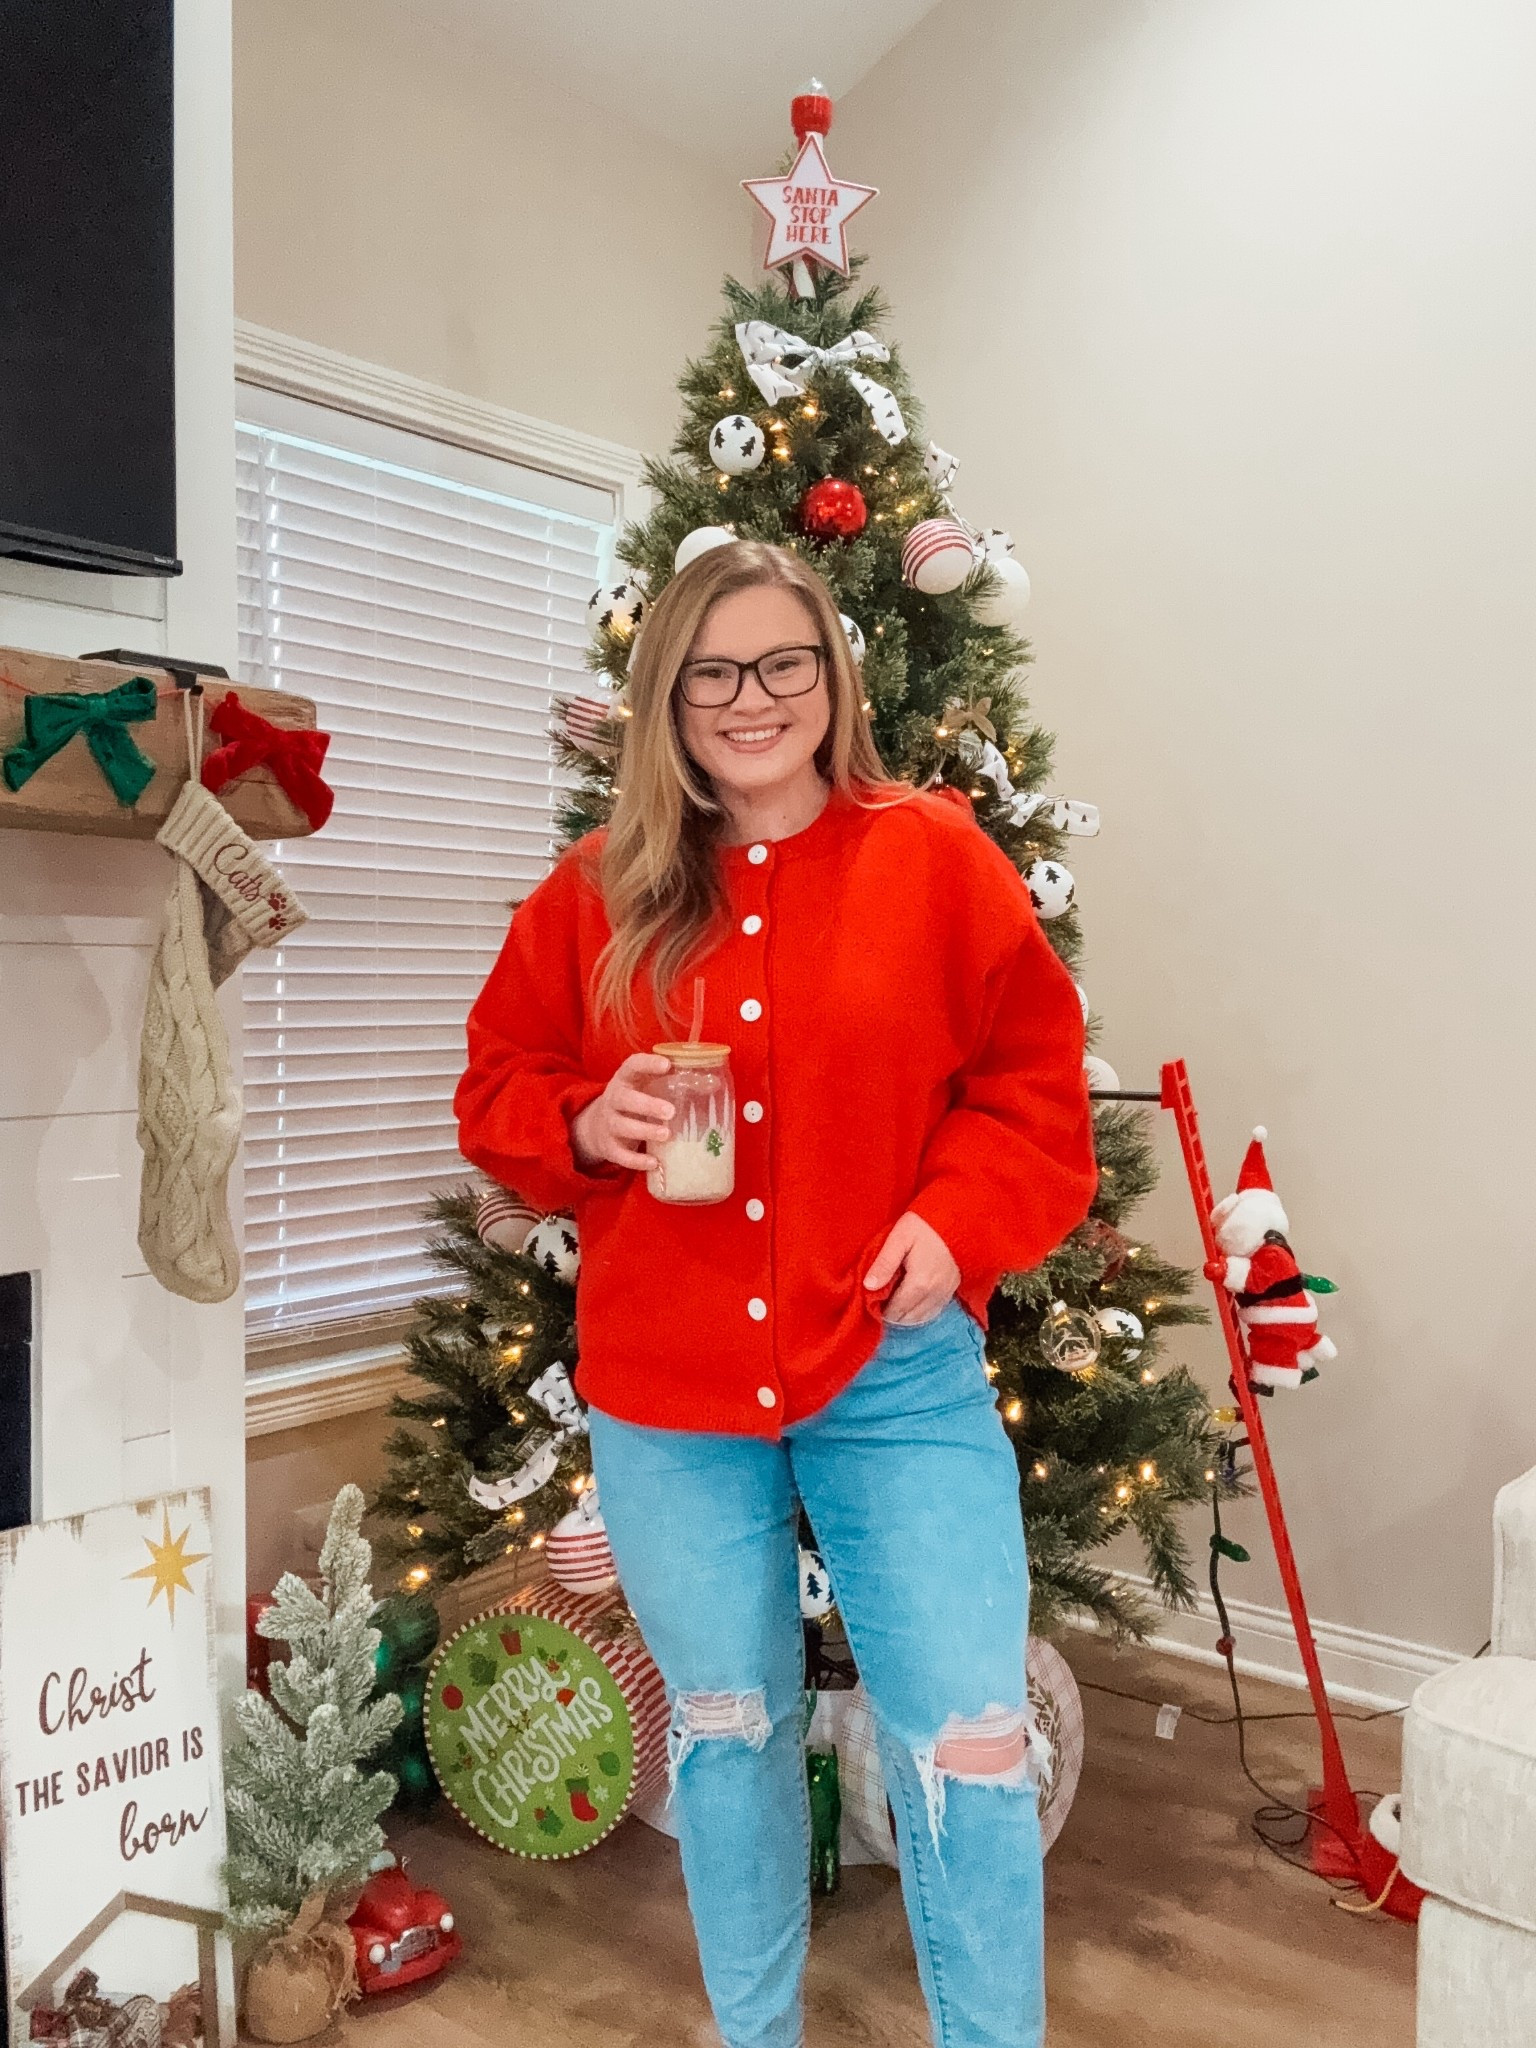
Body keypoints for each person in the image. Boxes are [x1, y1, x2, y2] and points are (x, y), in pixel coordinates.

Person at [456, 540, 1096, 2048]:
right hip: (670, 1389)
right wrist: (577, 1121)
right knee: (729, 1737)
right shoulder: (595, 893)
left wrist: (958, 1224)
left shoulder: (933, 854)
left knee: (973, 1742)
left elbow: (1032, 1088)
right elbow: (497, 1083)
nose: (752, 699)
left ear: (833, 680)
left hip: (897, 1364)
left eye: (783, 664)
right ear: (668, 696)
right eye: (713, 672)